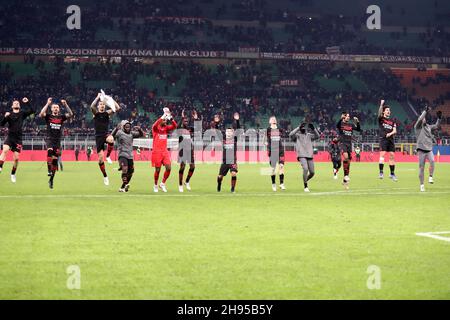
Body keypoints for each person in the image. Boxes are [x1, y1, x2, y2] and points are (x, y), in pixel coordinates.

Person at [39, 98, 74, 189]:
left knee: (54, 161)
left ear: (59, 109)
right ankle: (48, 171)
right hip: (49, 138)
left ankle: (51, 179)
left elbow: (71, 114)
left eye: (57, 107)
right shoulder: (49, 116)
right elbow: (41, 114)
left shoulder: (61, 117)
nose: (55, 108)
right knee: (49, 151)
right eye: (54, 107)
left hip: (57, 141)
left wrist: (66, 105)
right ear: (51, 109)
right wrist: (47, 103)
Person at [0, 97, 34, 183]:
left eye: (18, 103)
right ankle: (0, 166)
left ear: (19, 106)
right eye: (15, 103)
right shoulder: (9, 115)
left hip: (18, 139)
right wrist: (5, 117)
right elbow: (2, 124)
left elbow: (32, 111)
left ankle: (13, 174)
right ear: (12, 106)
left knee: (16, 159)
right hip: (10, 137)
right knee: (5, 150)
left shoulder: (22, 113)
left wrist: (27, 102)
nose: (16, 104)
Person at [90, 92, 121, 186]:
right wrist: (98, 97)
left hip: (105, 134)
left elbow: (118, 108)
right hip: (98, 137)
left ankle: (108, 156)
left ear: (105, 106)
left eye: (103, 104)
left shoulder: (107, 113)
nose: (102, 106)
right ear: (98, 106)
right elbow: (92, 106)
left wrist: (111, 100)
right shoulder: (95, 113)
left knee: (111, 139)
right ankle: (105, 176)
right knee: (100, 159)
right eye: (100, 104)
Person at [111, 120, 144, 192]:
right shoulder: (119, 132)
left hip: (130, 156)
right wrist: (116, 129)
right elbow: (111, 136)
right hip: (122, 154)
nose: (128, 127)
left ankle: (122, 187)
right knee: (125, 169)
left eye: (129, 126)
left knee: (131, 172)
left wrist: (140, 129)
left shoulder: (132, 133)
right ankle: (126, 185)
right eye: (126, 126)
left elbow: (141, 135)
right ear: (123, 127)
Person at [414, 106, 442, 192]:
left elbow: (437, 126)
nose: (424, 119)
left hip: (429, 148)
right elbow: (420, 118)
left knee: (433, 161)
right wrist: (425, 111)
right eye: (423, 118)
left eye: (424, 118)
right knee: (421, 167)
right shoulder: (418, 127)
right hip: (421, 149)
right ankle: (422, 185)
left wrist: (439, 118)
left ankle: (430, 177)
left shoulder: (429, 127)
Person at [152, 107, 177, 192]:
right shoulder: (155, 129)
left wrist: (171, 118)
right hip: (157, 152)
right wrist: (163, 116)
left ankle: (162, 183)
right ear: (161, 121)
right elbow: (155, 125)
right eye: (164, 120)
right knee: (158, 170)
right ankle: (155, 185)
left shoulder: (166, 128)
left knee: (169, 168)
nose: (165, 121)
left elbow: (175, 126)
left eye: (166, 120)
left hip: (164, 151)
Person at [289, 122, 320, 192]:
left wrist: (314, 129)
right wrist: (298, 128)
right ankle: (305, 186)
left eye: (304, 128)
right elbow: (290, 134)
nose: (303, 129)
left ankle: (305, 179)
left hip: (309, 155)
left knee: (312, 172)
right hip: (301, 155)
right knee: (305, 169)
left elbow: (318, 136)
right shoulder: (297, 136)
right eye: (302, 128)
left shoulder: (309, 135)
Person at [336, 112, 361, 189]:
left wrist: (357, 122)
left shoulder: (350, 125)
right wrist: (340, 118)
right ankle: (346, 176)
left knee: (348, 162)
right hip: (342, 143)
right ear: (343, 116)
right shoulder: (341, 124)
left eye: (349, 116)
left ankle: (345, 179)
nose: (348, 117)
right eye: (347, 116)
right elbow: (337, 125)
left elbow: (358, 129)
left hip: (349, 144)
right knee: (346, 158)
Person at [217, 112, 240, 193]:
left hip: (233, 160)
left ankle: (232, 189)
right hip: (225, 161)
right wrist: (216, 123)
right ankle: (219, 184)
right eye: (228, 131)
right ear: (226, 133)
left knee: (233, 173)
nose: (229, 133)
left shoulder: (235, 139)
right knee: (220, 177)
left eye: (231, 132)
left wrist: (237, 121)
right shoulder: (223, 139)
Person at [177, 109, 199, 192]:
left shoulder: (189, 129)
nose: (186, 122)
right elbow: (177, 126)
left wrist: (196, 119)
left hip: (190, 150)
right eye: (184, 121)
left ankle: (187, 181)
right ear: (182, 121)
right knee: (182, 166)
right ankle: (180, 185)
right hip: (182, 150)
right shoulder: (179, 129)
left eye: (187, 121)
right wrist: (181, 117)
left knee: (192, 167)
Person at [378, 100, 398, 181]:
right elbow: (379, 112)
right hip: (383, 139)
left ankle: (392, 174)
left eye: (389, 110)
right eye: (387, 110)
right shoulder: (381, 119)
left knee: (392, 156)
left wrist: (390, 133)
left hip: (391, 140)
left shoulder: (392, 121)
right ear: (383, 112)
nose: (388, 111)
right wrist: (381, 104)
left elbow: (395, 130)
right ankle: (381, 172)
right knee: (382, 155)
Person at [266, 116, 286, 192]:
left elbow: (283, 135)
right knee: (273, 169)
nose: (274, 119)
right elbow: (265, 138)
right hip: (272, 151)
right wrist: (266, 143)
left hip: (280, 150)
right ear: (269, 121)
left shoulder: (280, 129)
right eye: (272, 119)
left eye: (274, 119)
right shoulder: (268, 130)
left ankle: (281, 183)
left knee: (281, 166)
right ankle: (273, 183)